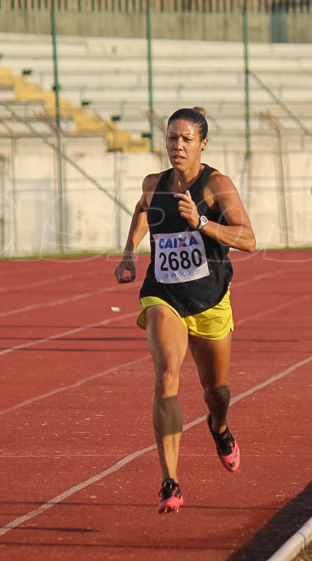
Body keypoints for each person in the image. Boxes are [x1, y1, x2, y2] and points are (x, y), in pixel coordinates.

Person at [114, 107, 256, 514]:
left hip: (210, 300)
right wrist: (129, 252)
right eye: (172, 138)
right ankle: (170, 482)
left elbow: (248, 239)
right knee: (166, 379)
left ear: (203, 144)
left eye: (186, 139)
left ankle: (220, 427)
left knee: (216, 392)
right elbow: (144, 210)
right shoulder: (154, 183)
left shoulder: (216, 185)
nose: (177, 145)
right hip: (165, 296)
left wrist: (202, 224)